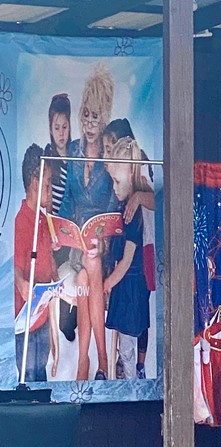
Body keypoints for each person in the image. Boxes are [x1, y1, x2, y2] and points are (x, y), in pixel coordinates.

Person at [58, 63, 115, 380]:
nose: (90, 123)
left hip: (103, 242)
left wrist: (102, 234)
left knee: (88, 274)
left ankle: (87, 362)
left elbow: (113, 200)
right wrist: (62, 230)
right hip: (77, 242)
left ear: (104, 116)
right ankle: (101, 362)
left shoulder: (108, 152)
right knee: (86, 272)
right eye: (86, 116)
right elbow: (67, 197)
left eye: (95, 117)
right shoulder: (75, 151)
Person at [103, 118, 155, 379]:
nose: (114, 188)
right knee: (126, 345)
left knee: (127, 347)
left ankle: (132, 388)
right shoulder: (126, 207)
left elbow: (127, 260)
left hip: (131, 284)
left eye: (117, 182)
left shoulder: (135, 212)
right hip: (128, 283)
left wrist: (108, 282)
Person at [14, 144, 59, 382]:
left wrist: (56, 280)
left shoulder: (43, 219)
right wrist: (21, 283)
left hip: (42, 318)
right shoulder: (21, 221)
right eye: (48, 182)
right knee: (28, 377)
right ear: (35, 182)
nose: (51, 189)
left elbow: (48, 262)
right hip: (26, 324)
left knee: (40, 376)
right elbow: (15, 267)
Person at [43, 92, 77, 343]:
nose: (61, 132)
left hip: (72, 226)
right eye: (57, 127)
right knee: (59, 271)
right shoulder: (48, 155)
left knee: (76, 270)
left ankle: (71, 317)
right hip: (52, 227)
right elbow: (45, 202)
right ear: (50, 128)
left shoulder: (76, 153)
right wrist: (53, 232)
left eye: (65, 126)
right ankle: (61, 321)